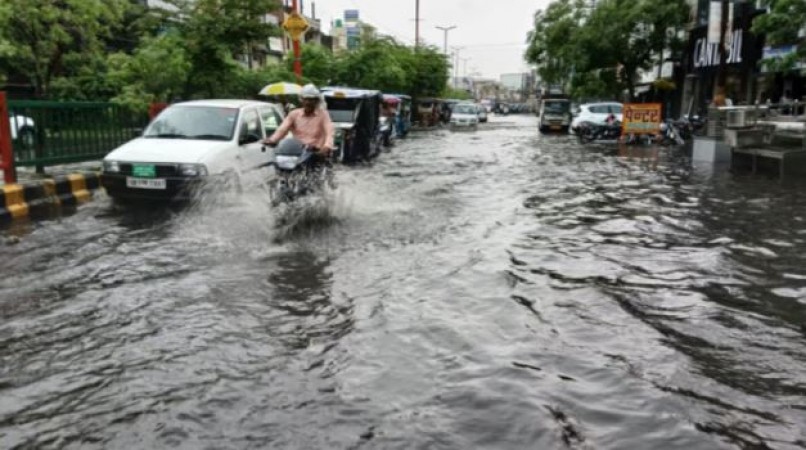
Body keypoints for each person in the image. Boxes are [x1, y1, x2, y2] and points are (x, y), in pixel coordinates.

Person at [264, 83, 334, 158]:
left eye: (311, 100)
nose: (308, 102)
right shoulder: (294, 114)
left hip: (316, 153)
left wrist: (327, 146)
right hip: (297, 152)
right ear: (301, 100)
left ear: (316, 101)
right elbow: (282, 129)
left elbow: (329, 132)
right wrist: (272, 140)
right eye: (305, 99)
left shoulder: (323, 115)